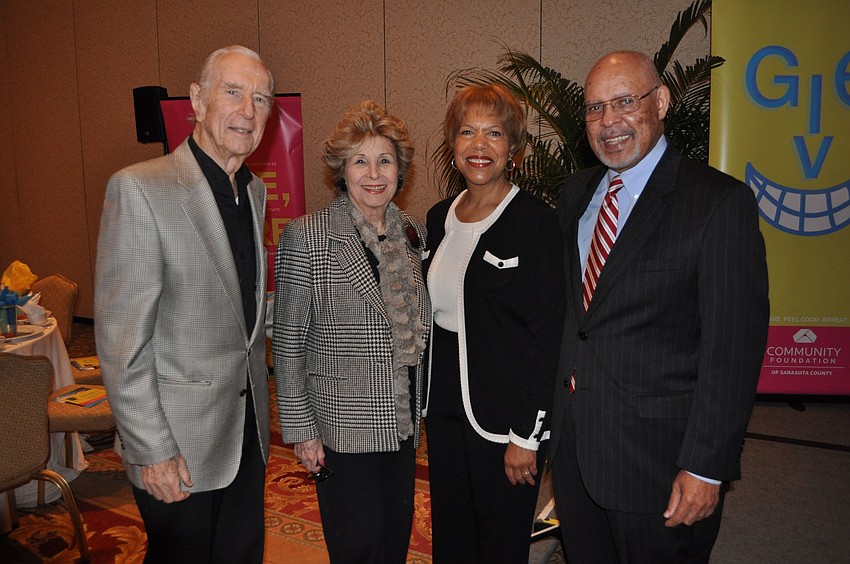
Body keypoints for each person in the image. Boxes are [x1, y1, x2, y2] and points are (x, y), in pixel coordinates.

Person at [549, 50, 770, 564]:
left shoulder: (718, 204)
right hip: (576, 450)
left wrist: (706, 466)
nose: (609, 122)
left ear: (662, 101)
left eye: (625, 102)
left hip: (661, 466)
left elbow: (732, 351)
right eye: (594, 108)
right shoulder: (576, 195)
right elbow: (574, 323)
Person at [95, 45, 275, 563]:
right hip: (178, 444)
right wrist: (152, 450)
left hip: (246, 436)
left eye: (261, 99)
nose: (248, 110)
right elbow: (122, 342)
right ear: (197, 100)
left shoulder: (254, 191)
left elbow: (242, 315)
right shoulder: (140, 189)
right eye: (234, 92)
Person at [272, 100, 430, 564]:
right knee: (357, 548)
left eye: (385, 160)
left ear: (400, 170)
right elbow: (288, 342)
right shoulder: (309, 237)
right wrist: (301, 431)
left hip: (402, 427)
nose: (374, 173)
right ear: (341, 170)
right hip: (341, 430)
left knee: (394, 542)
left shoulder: (413, 234)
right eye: (360, 161)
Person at [422, 83, 566, 563]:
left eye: (494, 134)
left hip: (505, 418)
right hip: (442, 406)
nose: (479, 146)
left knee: (500, 541)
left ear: (514, 150)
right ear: (452, 144)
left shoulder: (535, 223)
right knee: (453, 531)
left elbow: (546, 338)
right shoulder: (440, 216)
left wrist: (526, 436)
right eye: (467, 132)